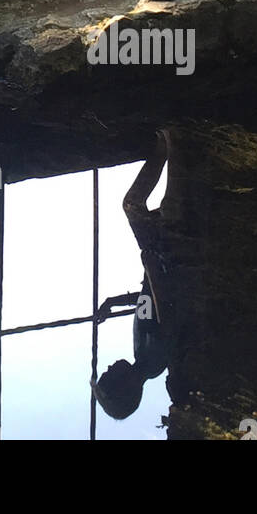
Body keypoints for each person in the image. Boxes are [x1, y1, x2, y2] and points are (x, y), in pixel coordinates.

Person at [94, 132, 176, 421]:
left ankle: (167, 150)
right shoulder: (153, 362)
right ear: (124, 384)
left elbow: (145, 301)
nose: (107, 368)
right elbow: (164, 310)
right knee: (134, 206)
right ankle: (167, 148)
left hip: (158, 264)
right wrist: (152, 266)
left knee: (155, 210)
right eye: (109, 376)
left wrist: (113, 301)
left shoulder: (143, 356)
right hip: (163, 263)